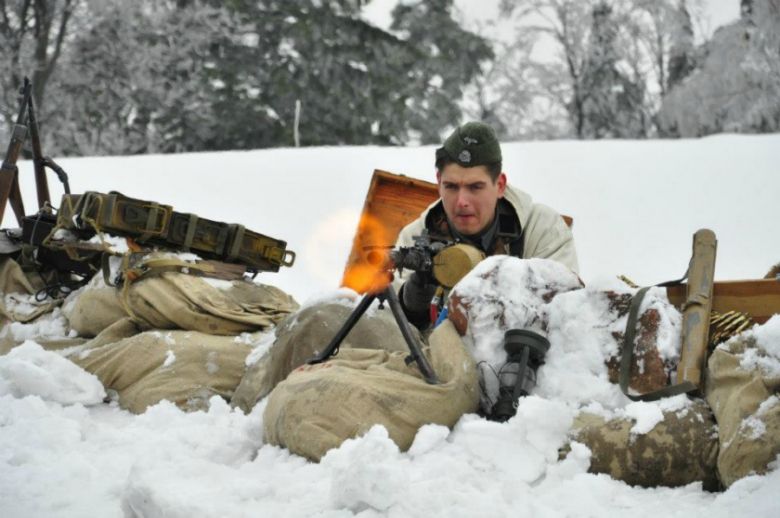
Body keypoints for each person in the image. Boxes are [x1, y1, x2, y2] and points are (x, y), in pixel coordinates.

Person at [397, 121, 579, 328]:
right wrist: (411, 305)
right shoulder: (415, 236)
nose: (462, 201)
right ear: (439, 183)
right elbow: (390, 328)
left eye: (475, 187)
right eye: (451, 187)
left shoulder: (543, 231)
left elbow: (564, 319)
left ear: (499, 185)